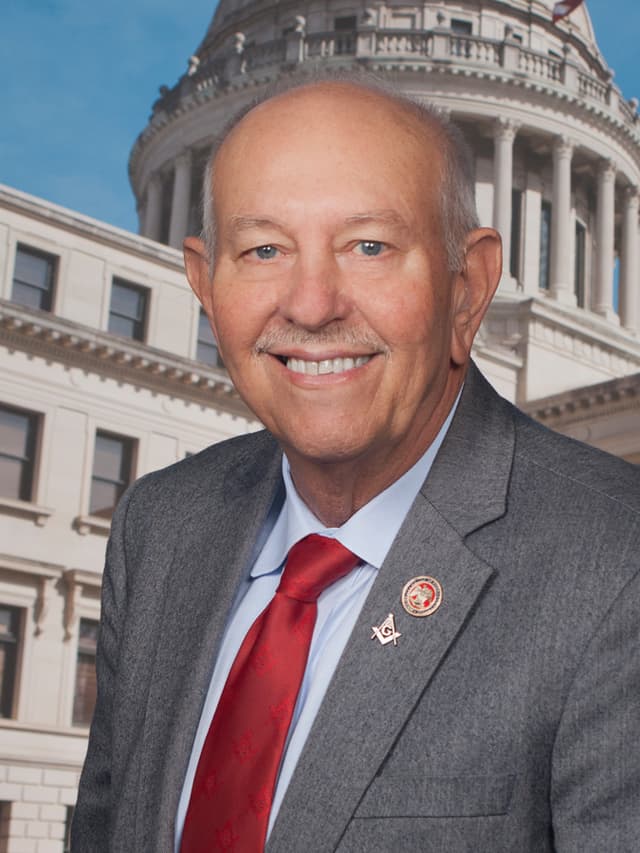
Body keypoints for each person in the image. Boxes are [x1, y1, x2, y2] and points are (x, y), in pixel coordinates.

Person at [72, 77, 640, 852]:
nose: (310, 305)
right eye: (263, 249)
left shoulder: (615, 555)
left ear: (467, 288)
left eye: (369, 246)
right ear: (205, 284)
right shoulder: (160, 526)